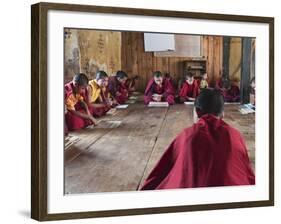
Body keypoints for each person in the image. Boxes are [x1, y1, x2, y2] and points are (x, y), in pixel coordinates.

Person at [140, 88, 255, 190]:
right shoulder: (235, 135)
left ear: (196, 112)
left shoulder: (187, 135)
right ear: (222, 114)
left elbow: (162, 172)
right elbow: (246, 172)